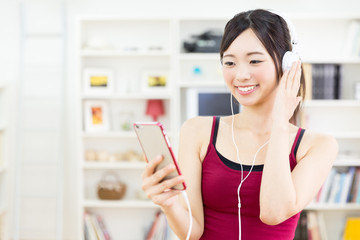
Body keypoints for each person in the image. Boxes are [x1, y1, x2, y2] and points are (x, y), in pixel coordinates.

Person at [141, 9, 338, 240]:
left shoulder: (317, 146)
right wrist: (169, 204)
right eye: (230, 62)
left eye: (254, 60)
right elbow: (192, 232)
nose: (241, 75)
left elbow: (274, 213)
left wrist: (279, 124)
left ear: (287, 65)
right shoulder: (197, 131)